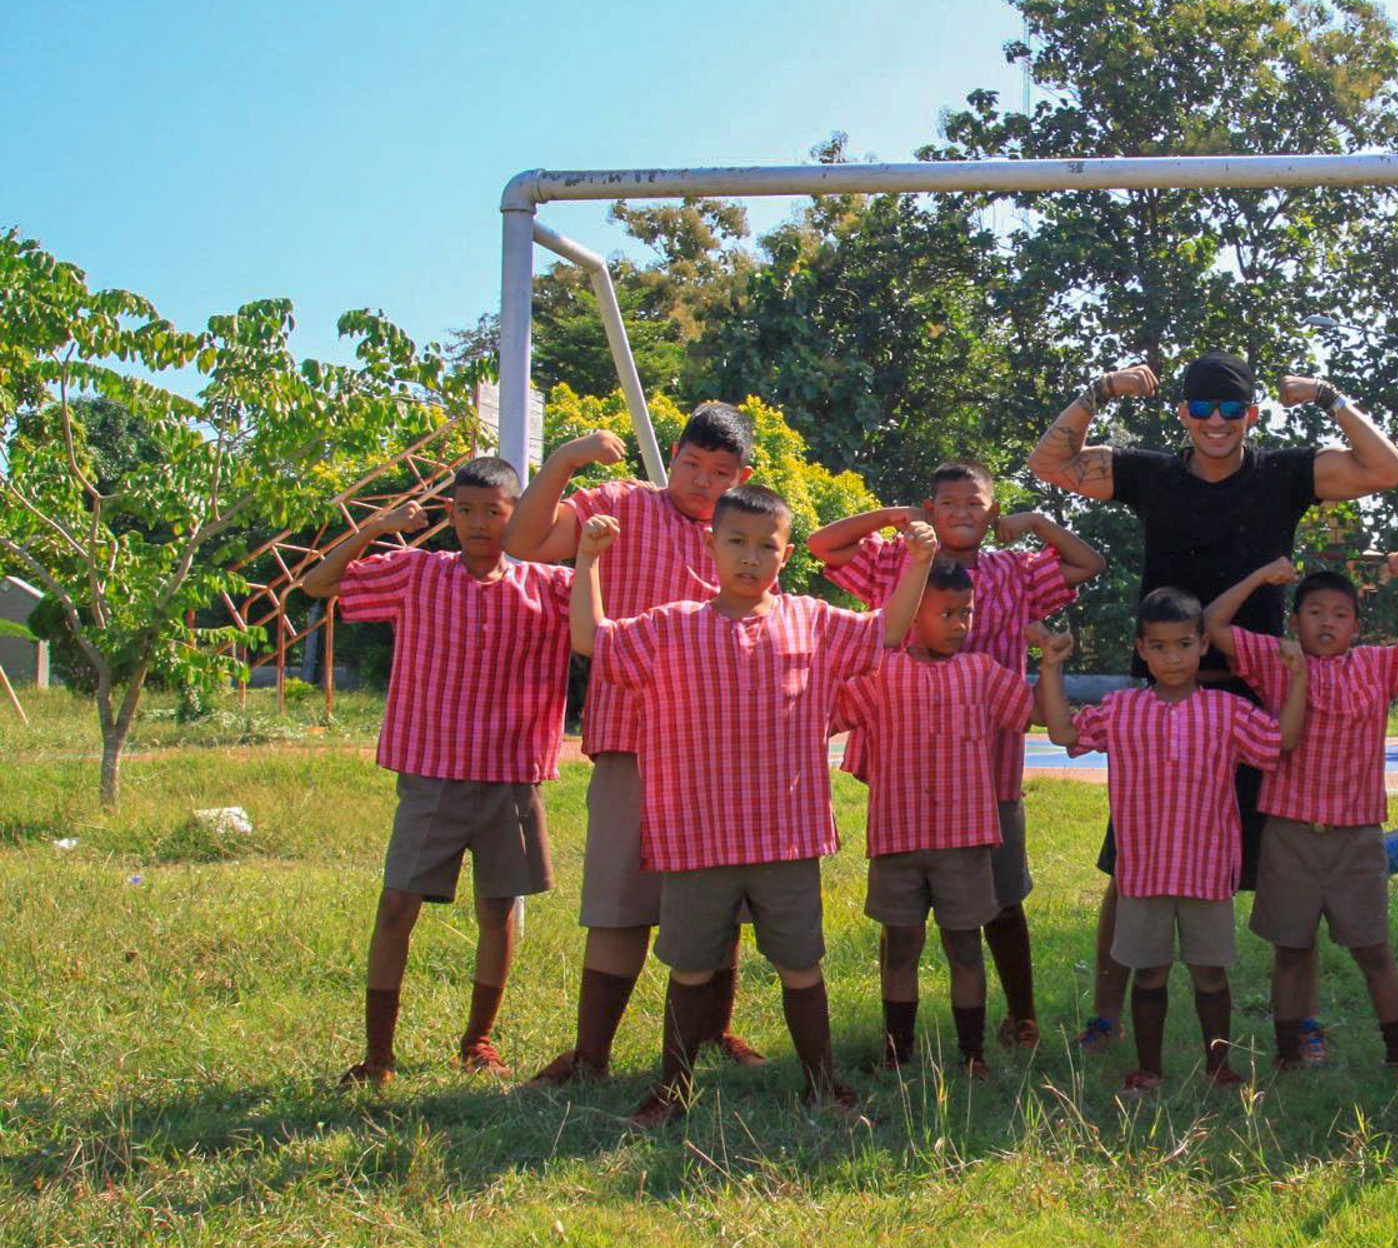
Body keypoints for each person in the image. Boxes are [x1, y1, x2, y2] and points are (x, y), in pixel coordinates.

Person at [1025, 351, 1398, 1054]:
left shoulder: (1284, 474)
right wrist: (1101, 388)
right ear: (1183, 416)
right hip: (1162, 691)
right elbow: (1050, 464)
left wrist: (1328, 396)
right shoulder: (1150, 472)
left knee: (1280, 872)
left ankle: (1305, 1023)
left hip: (1259, 695)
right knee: (1132, 862)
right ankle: (1106, 1018)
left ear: (1251, 417)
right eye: (1202, 410)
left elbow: (1389, 470)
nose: (1216, 423)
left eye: (1232, 411)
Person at [573, 485, 933, 1127]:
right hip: (696, 837)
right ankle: (671, 1091)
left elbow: (888, 631)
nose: (749, 557)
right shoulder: (671, 626)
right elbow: (593, 642)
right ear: (711, 546)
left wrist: (919, 564)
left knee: (801, 965)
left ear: (785, 553)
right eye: (735, 542)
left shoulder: (810, 620)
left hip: (785, 838)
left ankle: (822, 1084)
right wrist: (590, 560)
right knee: (689, 969)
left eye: (765, 546)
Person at [503, 403, 767, 1087]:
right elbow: (526, 542)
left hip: (719, 748)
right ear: (673, 453)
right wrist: (564, 460)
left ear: (743, 474)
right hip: (632, 739)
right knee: (620, 901)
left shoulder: (745, 531)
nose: (703, 482)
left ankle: (713, 1032)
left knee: (720, 897)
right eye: (692, 464)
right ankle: (591, 1056)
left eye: (721, 472)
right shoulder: (620, 506)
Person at [810, 460, 1102, 1051]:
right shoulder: (900, 559)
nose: (962, 514)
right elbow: (823, 545)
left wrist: (1040, 521)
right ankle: (900, 1035)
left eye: (975, 504)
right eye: (948, 504)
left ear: (992, 513)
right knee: (905, 909)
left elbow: (1086, 564)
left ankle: (1021, 1015)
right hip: (907, 762)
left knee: (1001, 895)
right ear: (931, 508)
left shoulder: (1013, 572)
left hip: (990, 762)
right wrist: (896, 517)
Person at [305, 459, 572, 1086]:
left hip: (511, 773)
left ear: (517, 515)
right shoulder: (417, 572)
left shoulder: (548, 587)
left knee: (497, 908)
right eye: (466, 511)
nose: (479, 524)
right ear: (450, 515)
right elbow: (320, 585)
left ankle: (478, 1041)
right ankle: (378, 1056)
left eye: (495, 512)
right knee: (397, 903)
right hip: (432, 770)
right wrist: (376, 526)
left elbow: (605, 618)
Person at [1032, 589, 1307, 1094]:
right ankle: (1149, 1070)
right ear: (1141, 649)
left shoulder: (1227, 711)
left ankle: (1218, 1066)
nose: (1173, 657)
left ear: (1203, 645)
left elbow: (1280, 742)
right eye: (1159, 647)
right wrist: (1051, 668)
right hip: (1143, 872)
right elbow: (1062, 734)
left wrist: (1298, 678)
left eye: (1183, 644)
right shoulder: (1121, 710)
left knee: (1210, 976)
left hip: (1207, 871)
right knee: (1149, 975)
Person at [1207, 555, 1398, 1072]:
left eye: (1340, 614)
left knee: (1373, 950)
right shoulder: (1277, 659)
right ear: (1294, 621)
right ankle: (1289, 1054)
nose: (1326, 623)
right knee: (1291, 949)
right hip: (1289, 833)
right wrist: (1260, 576)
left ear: (1357, 625)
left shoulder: (1377, 665)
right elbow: (1213, 626)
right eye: (1314, 612)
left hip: (1357, 838)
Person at [828, 556, 1037, 1078]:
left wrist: (1050, 664)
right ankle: (897, 1054)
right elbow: (822, 714)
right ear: (911, 612)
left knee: (966, 945)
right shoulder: (881, 672)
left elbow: (1032, 714)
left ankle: (972, 1056)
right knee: (901, 945)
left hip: (965, 842)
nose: (960, 625)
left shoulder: (982, 671)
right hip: (897, 839)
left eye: (966, 613)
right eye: (946, 613)